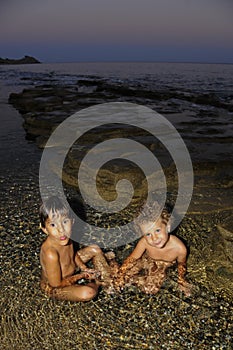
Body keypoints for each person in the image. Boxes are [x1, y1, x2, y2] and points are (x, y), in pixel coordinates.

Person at [39, 195, 115, 301]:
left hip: (71, 269)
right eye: (53, 225)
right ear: (44, 229)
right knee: (88, 293)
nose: (61, 229)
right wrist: (82, 276)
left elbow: (72, 254)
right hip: (55, 287)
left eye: (65, 222)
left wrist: (84, 267)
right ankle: (98, 283)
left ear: (72, 221)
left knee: (95, 249)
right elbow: (57, 285)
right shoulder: (50, 253)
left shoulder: (64, 237)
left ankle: (109, 280)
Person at [114, 201, 192, 296]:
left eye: (157, 231)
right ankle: (111, 261)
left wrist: (181, 280)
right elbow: (132, 259)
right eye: (148, 234)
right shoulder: (144, 242)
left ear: (168, 226)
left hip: (164, 266)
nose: (154, 238)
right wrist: (121, 274)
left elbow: (181, 265)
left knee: (151, 289)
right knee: (120, 279)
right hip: (146, 261)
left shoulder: (180, 248)